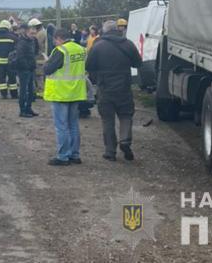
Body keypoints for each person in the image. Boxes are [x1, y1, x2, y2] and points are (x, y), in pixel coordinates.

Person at [85, 19, 142, 162]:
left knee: (107, 120)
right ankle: (125, 141)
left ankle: (110, 151)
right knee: (126, 115)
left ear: (104, 30)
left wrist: (97, 78)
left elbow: (89, 66)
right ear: (118, 29)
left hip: (105, 88)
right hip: (124, 87)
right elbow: (138, 63)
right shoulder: (127, 44)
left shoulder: (98, 46)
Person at [43, 27, 87, 166]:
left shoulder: (61, 51)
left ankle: (63, 156)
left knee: (61, 126)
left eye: (55, 40)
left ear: (58, 38)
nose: (54, 43)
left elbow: (48, 69)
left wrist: (46, 61)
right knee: (73, 124)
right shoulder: (81, 49)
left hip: (61, 93)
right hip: (76, 92)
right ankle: (75, 154)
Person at [16, 22, 38, 118]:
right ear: (26, 32)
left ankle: (29, 108)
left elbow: (34, 53)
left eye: (34, 33)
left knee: (31, 90)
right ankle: (22, 110)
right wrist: (26, 66)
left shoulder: (32, 41)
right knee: (23, 91)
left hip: (31, 69)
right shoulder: (22, 42)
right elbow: (20, 57)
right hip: (24, 70)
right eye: (31, 33)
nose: (33, 35)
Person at [0, 19, 18, 98]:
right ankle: (14, 94)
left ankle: (4, 94)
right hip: (10, 62)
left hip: (0, 63)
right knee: (12, 79)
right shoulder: (13, 38)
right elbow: (17, 50)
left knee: (2, 79)